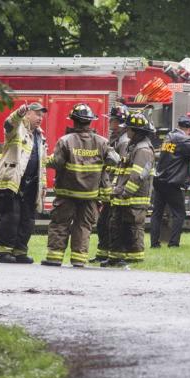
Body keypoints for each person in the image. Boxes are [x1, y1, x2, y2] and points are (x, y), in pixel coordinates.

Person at [41, 103, 119, 268]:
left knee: (60, 223)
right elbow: (115, 160)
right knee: (83, 226)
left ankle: (54, 258)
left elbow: (57, 162)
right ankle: (78, 260)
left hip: (66, 193)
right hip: (90, 195)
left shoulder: (65, 141)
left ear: (73, 121)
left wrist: (45, 160)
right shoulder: (102, 142)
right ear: (90, 122)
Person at [0, 102, 48, 264]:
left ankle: (20, 251)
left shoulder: (40, 136)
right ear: (28, 114)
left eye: (42, 115)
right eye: (37, 114)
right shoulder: (17, 129)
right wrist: (18, 113)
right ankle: (4, 252)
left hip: (32, 184)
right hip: (13, 181)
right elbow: (9, 123)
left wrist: (43, 185)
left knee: (27, 219)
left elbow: (42, 163)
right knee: (11, 217)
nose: (40, 118)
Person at [150, 115, 190, 248]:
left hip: (159, 180)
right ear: (188, 129)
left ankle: (154, 243)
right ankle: (173, 243)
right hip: (171, 182)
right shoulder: (182, 139)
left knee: (157, 213)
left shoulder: (169, 136)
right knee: (179, 214)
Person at [103, 112, 155, 267]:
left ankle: (134, 259)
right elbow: (122, 171)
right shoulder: (132, 146)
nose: (127, 132)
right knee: (117, 226)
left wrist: (126, 192)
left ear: (137, 131)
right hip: (123, 196)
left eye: (129, 129)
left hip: (134, 198)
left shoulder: (144, 150)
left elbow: (138, 176)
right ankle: (115, 258)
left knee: (132, 228)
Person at [90, 104, 130, 263]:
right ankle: (102, 253)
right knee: (103, 223)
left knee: (109, 222)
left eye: (112, 120)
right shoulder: (115, 138)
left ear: (120, 122)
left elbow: (120, 166)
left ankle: (110, 254)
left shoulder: (124, 141)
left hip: (114, 187)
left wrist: (114, 187)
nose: (109, 123)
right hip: (108, 185)